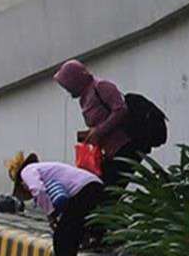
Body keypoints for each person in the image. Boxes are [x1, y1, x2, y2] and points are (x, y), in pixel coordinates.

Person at [10, 150, 105, 256]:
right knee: (68, 236)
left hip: (85, 190)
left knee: (62, 237)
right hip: (91, 188)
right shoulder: (44, 169)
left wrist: (51, 214)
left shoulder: (28, 172)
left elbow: (38, 190)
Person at [55, 59, 149, 190]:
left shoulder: (101, 87)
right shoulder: (84, 99)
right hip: (108, 153)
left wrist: (99, 131)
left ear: (75, 80)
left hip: (124, 147)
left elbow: (121, 110)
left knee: (108, 191)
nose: (68, 90)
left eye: (68, 85)